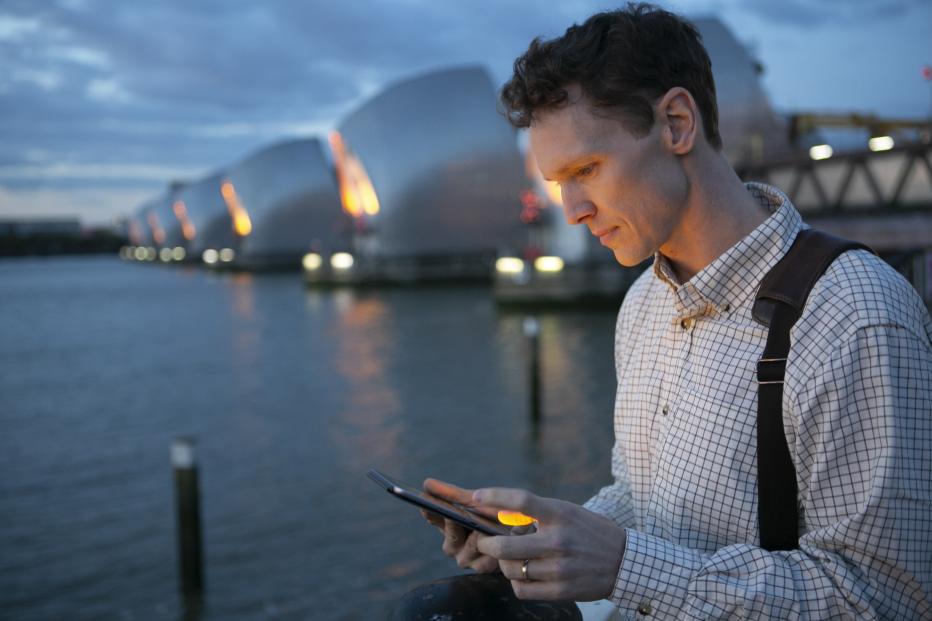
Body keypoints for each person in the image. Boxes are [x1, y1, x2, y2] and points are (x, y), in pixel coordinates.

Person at [421, 3, 932, 618]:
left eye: (586, 169)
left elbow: (885, 598)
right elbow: (642, 498)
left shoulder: (854, 316)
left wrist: (622, 566)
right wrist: (541, 539)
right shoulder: (643, 302)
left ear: (677, 123)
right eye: (560, 182)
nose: (573, 209)